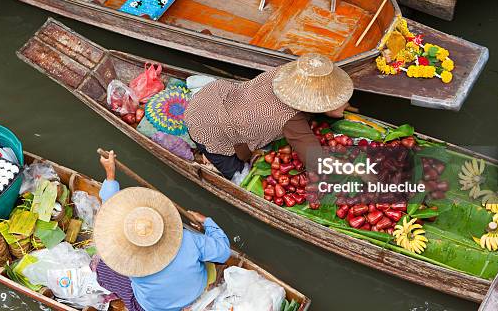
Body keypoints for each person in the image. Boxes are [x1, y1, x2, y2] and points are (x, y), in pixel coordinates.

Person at [93, 151, 231, 311]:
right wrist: (207, 221)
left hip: (158, 307)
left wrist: (110, 174)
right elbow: (224, 251)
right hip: (196, 289)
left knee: (102, 268)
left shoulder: (127, 260)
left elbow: (108, 211)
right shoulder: (186, 239)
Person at [184, 53, 354, 180]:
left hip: (211, 96)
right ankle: (207, 152)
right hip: (208, 126)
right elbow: (317, 162)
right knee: (240, 177)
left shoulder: (287, 72)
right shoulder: (291, 119)